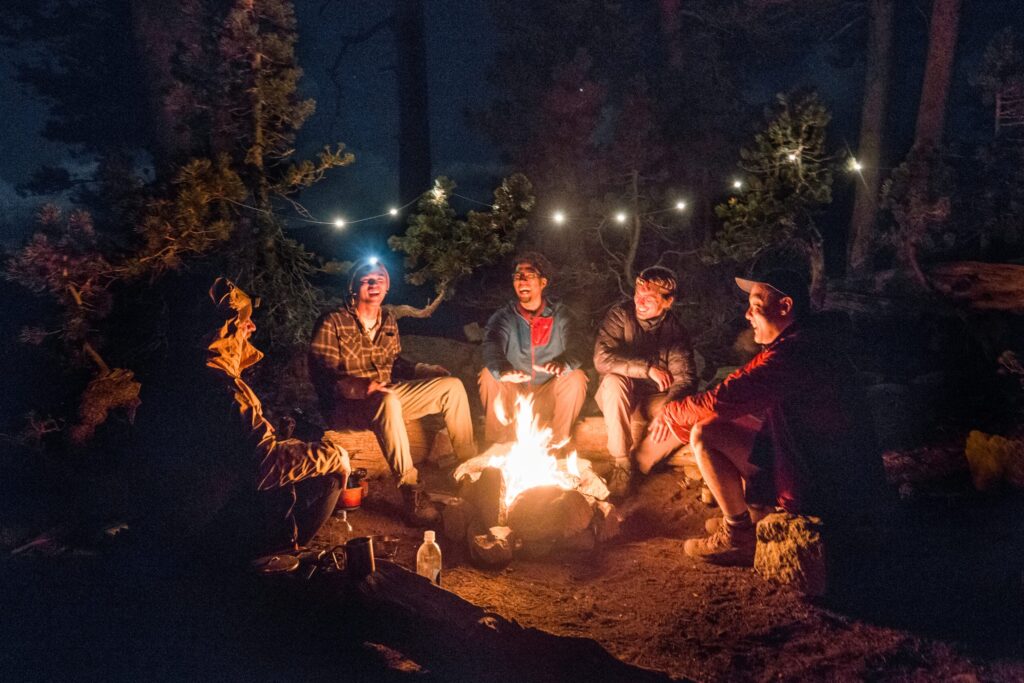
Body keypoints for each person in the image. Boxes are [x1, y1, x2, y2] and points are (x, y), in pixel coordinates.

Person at [649, 270, 884, 566]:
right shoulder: (799, 341)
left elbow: (723, 400)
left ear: (785, 307)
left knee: (705, 432)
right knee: (721, 425)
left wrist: (671, 411)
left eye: (756, 305)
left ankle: (739, 535)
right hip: (815, 463)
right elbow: (738, 384)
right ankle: (754, 513)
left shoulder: (796, 353)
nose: (747, 315)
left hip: (825, 485)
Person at [308, 258, 477, 525]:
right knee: (387, 400)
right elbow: (323, 375)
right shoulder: (332, 322)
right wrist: (364, 387)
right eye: (367, 279)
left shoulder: (387, 320)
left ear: (387, 287)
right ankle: (411, 489)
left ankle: (471, 469)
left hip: (388, 395)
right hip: (348, 405)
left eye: (380, 279)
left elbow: (395, 363)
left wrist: (423, 368)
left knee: (452, 387)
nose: (374, 283)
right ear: (353, 286)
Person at [203, 278, 351, 558]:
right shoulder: (223, 389)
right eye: (244, 320)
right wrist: (335, 454)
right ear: (226, 328)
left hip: (191, 517)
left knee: (295, 463)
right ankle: (277, 560)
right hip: (208, 528)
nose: (252, 327)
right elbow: (265, 466)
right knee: (328, 476)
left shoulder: (184, 376)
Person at [593, 266, 697, 496]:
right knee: (611, 381)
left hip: (654, 401)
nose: (639, 301)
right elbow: (602, 359)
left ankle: (640, 462)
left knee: (690, 411)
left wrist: (669, 409)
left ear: (666, 302)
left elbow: (685, 379)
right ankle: (621, 463)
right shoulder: (620, 315)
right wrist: (647, 368)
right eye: (638, 294)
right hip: (621, 398)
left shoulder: (675, 331)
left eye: (648, 297)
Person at [478, 251, 588, 449]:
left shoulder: (560, 315)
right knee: (489, 375)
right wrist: (503, 369)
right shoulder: (504, 317)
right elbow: (492, 342)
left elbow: (578, 342)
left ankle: (556, 445)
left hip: (548, 392)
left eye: (529, 276)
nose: (522, 281)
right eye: (517, 276)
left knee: (576, 377)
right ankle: (497, 446)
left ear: (543, 282)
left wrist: (563, 362)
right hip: (516, 390)